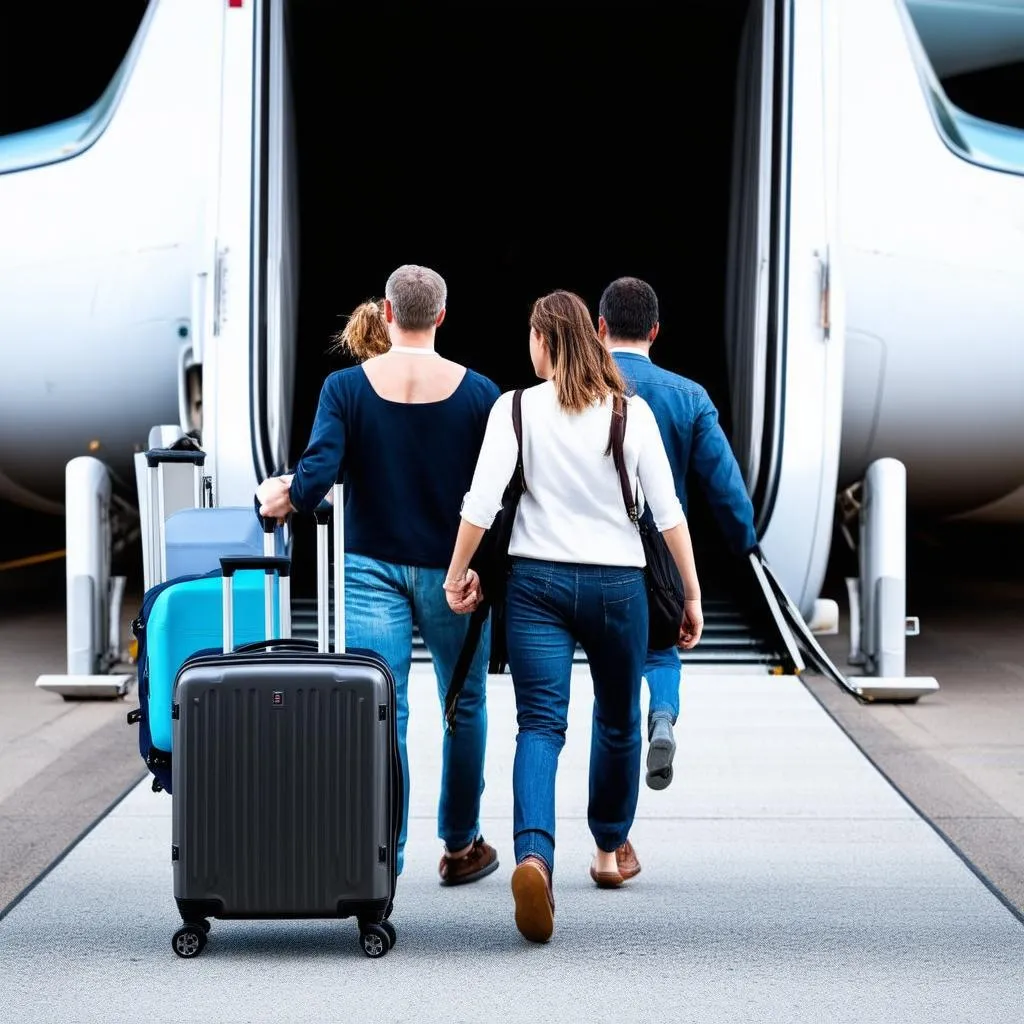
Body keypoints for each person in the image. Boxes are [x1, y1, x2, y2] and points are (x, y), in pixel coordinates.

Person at [443, 289, 703, 944]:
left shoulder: (515, 409)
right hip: (619, 588)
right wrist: (693, 593)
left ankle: (534, 856)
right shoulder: (629, 413)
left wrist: (456, 573)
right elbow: (667, 512)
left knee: (539, 727)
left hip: (536, 586)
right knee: (617, 720)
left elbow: (481, 501)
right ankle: (611, 850)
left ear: (542, 339)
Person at [256, 264, 502, 887]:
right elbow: (499, 493)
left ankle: (381, 858)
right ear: (442, 316)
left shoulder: (345, 387)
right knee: (463, 704)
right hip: (455, 572)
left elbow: (316, 477)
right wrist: (484, 569)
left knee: (379, 707)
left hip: (370, 571)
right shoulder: (481, 394)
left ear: (387, 315)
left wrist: (284, 494)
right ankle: (459, 845)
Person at [598, 276, 758, 801]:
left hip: (590, 547)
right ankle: (662, 715)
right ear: (655, 331)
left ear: (600, 328)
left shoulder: (577, 388)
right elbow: (724, 482)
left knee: (609, 663)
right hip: (664, 546)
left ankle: (611, 822)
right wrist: (745, 543)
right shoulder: (690, 397)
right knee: (661, 648)